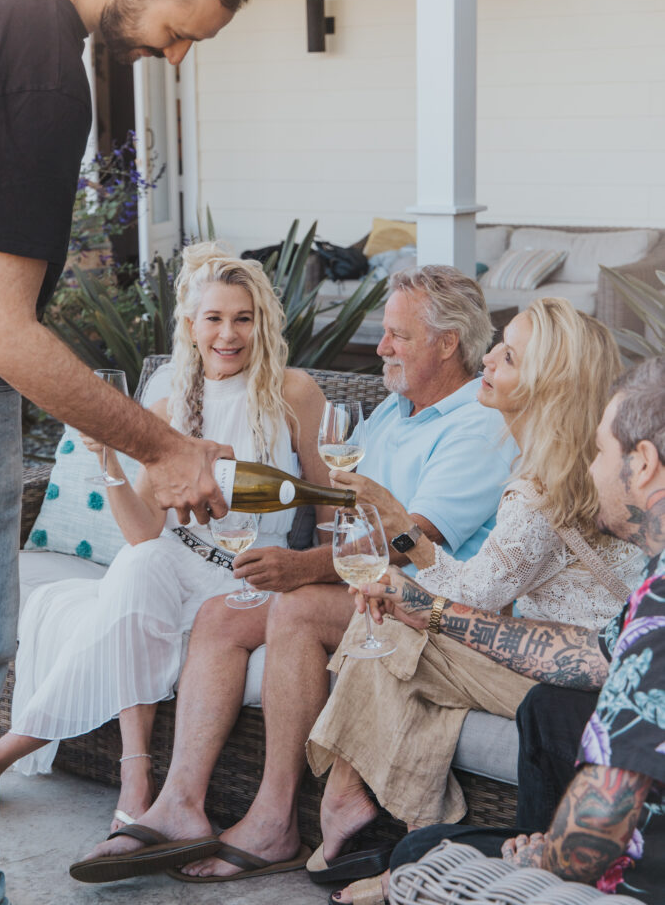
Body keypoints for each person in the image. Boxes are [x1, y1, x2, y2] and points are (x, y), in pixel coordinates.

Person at [69, 264, 519, 884]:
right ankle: (180, 803)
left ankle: (275, 819)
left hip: (432, 601)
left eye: (396, 336)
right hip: (366, 582)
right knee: (221, 613)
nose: (380, 347)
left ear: (446, 344)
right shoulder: (397, 410)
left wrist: (302, 566)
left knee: (297, 607)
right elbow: (333, 499)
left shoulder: (478, 423)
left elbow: (411, 535)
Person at [0, 0, 252, 905]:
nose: (174, 59)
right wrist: (167, 447)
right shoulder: (48, 68)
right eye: (179, 34)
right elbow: (1, 327)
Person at [305, 300, 645, 902]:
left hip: (575, 681)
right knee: (394, 625)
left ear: (545, 384)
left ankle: (384, 821)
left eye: (508, 355)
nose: (486, 358)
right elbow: (472, 588)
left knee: (389, 627)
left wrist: (396, 539)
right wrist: (400, 533)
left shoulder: (539, 485)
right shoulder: (565, 466)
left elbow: (472, 596)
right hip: (576, 668)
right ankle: (407, 828)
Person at [0, 244, 331, 833]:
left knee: (131, 586)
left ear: (263, 324)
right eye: (215, 318)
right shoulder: (169, 405)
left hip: (246, 574)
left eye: (243, 318)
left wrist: (309, 565)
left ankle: (14, 746)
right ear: (191, 326)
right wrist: (109, 463)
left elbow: (329, 506)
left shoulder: (294, 394)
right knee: (138, 564)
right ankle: (136, 775)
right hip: (174, 561)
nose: (228, 334)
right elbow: (143, 530)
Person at [384, 354, 665, 905]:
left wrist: (547, 857)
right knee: (550, 704)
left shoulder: (659, 610)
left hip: (642, 873)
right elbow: (592, 656)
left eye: (602, 454)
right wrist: (432, 611)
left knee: (419, 854)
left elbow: (599, 822)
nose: (591, 470)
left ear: (645, 464)